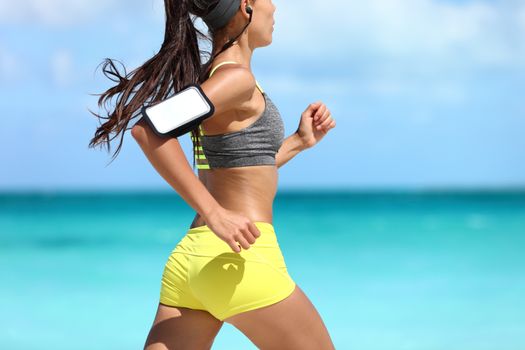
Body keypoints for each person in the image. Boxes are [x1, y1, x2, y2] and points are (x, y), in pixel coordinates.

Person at [89, 0, 336, 348]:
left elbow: (240, 168)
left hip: (190, 263)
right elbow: (149, 130)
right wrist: (215, 213)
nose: (275, 7)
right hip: (240, 257)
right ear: (247, 7)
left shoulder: (215, 76)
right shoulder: (236, 78)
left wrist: (298, 142)